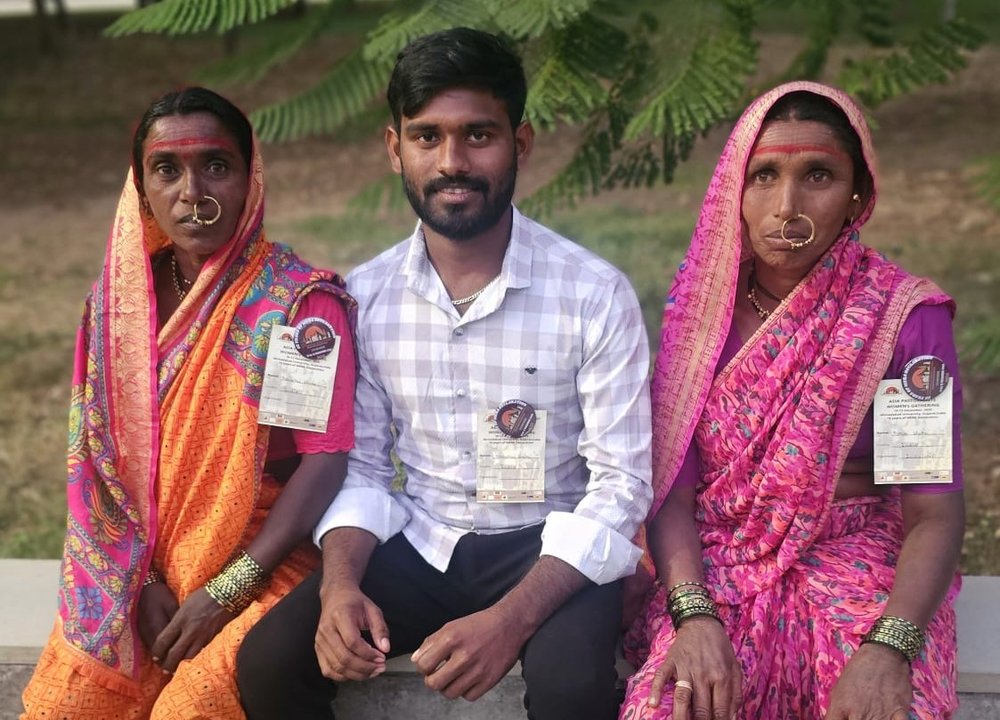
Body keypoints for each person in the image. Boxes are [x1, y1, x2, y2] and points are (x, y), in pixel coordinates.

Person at [236, 27, 652, 720]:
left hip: (552, 546)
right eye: (427, 137)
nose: (452, 161)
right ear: (394, 147)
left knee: (573, 691)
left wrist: (511, 621)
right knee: (270, 664)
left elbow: (620, 487)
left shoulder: (593, 295)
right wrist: (340, 585)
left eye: (477, 136)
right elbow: (363, 467)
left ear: (520, 143)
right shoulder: (364, 300)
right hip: (424, 541)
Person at [618, 81, 964, 720]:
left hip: (863, 563)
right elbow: (671, 490)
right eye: (764, 176)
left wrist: (889, 649)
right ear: (734, 191)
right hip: (716, 566)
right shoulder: (701, 318)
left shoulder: (903, 317)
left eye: (818, 176)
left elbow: (935, 515)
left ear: (858, 194)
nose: (787, 205)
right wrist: (693, 618)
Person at [20, 87, 357, 719]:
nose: (192, 191)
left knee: (191, 708)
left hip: (263, 560)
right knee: (66, 705)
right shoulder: (117, 306)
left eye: (216, 166)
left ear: (249, 178)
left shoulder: (295, 305)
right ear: (141, 186)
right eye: (167, 169)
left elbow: (324, 461)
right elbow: (95, 457)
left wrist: (226, 588)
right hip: (135, 567)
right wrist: (141, 580)